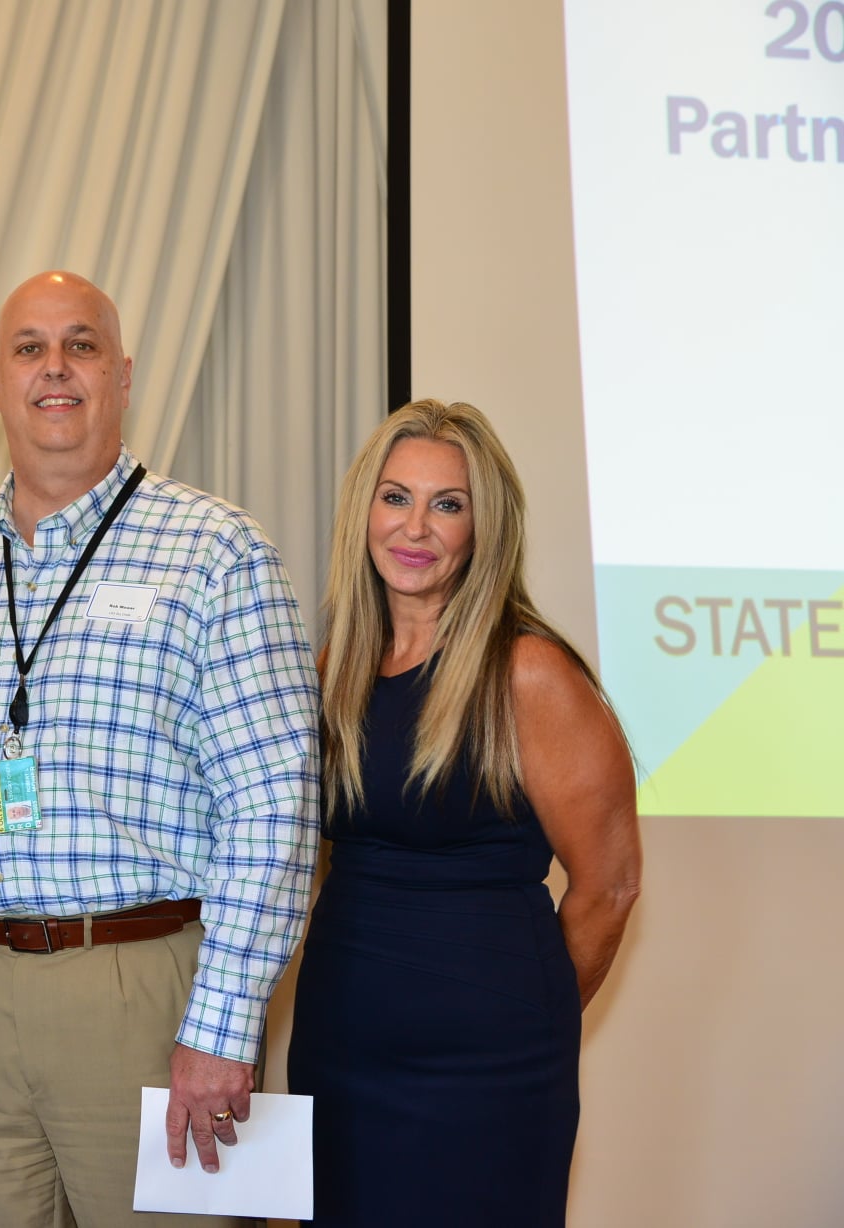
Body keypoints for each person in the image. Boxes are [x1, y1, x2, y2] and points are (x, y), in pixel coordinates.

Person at [0, 271, 321, 1227]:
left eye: (81, 346)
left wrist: (223, 1026)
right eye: (29, 348)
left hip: (147, 991)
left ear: (122, 376)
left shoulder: (218, 552)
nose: (56, 368)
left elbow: (275, 806)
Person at [286, 398, 642, 1227]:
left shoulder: (529, 672)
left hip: (491, 1074)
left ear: (486, 528)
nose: (416, 528)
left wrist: (522, 1015)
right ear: (363, 512)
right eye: (396, 497)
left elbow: (610, 887)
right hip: (341, 1045)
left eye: (449, 504)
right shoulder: (339, 665)